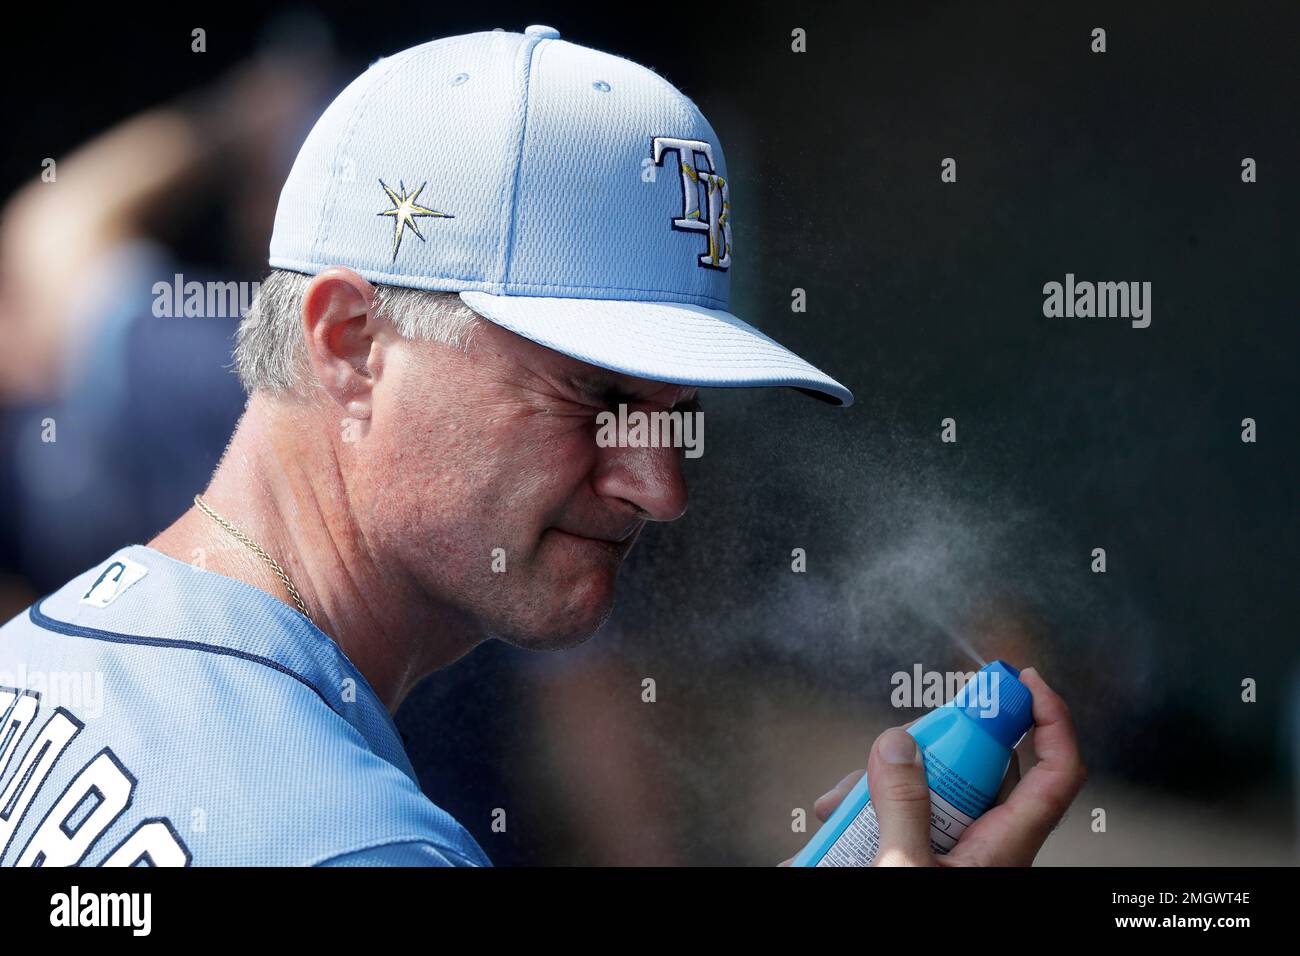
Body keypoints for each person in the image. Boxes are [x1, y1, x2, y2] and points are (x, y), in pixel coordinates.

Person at [0, 25, 1080, 866]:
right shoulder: (350, 837)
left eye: (674, 413)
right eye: (593, 395)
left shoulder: (40, 661)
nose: (659, 487)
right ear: (352, 343)